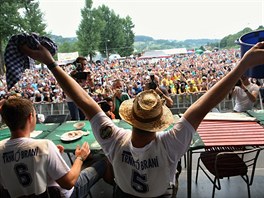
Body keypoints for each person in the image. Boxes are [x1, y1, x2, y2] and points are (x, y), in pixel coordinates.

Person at [20, 41, 264, 197]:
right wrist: (242, 66)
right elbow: (206, 103)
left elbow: (84, 100)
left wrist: (51, 63)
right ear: (160, 120)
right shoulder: (171, 143)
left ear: (131, 116)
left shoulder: (114, 138)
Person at [0, 97, 108, 197]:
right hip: (61, 194)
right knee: (103, 162)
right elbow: (69, 183)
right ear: (30, 117)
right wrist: (80, 158)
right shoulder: (44, 146)